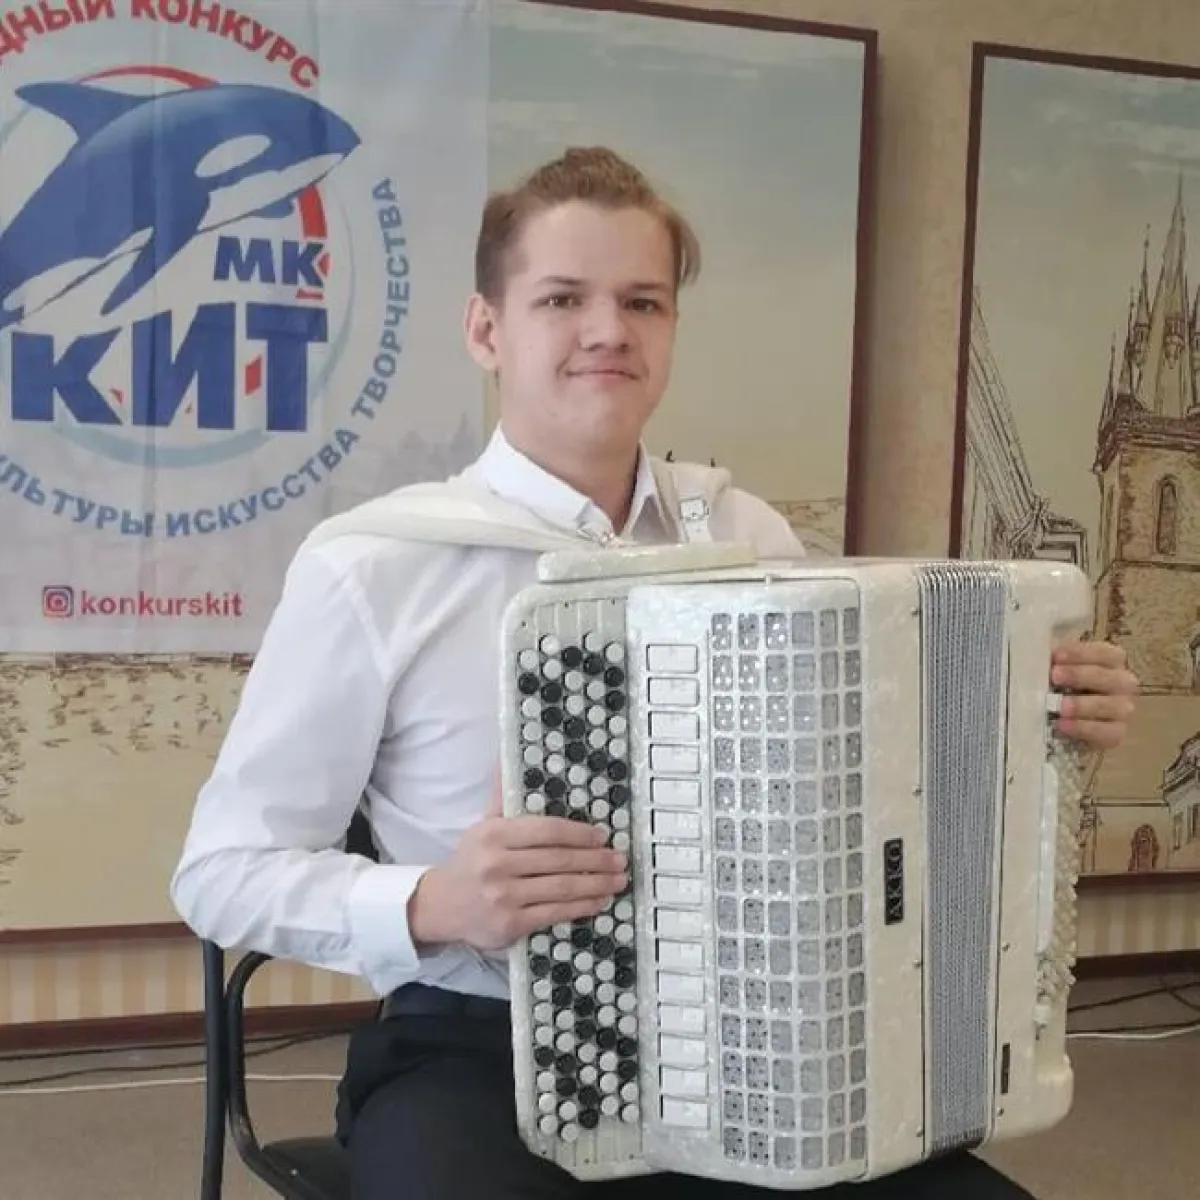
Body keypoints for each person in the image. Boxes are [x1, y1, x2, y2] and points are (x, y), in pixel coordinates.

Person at [171, 147, 1139, 1200]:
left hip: (758, 1041)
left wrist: (1035, 713)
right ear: (486, 330)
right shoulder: (374, 565)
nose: (608, 330)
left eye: (642, 301)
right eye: (562, 299)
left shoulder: (747, 534)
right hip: (477, 1046)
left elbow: (868, 785)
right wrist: (433, 902)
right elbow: (221, 874)